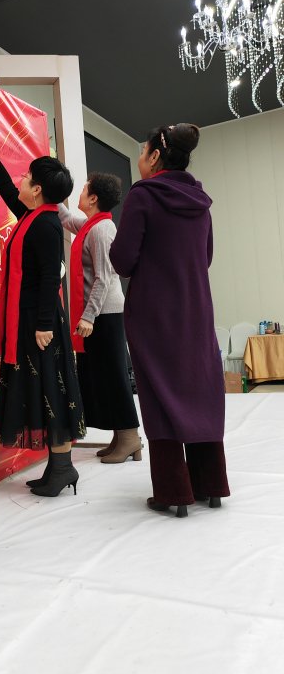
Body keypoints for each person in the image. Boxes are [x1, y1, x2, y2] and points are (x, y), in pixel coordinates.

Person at [109, 123, 230, 517]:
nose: (140, 158)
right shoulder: (200, 202)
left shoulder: (143, 195)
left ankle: (173, 491)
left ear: (156, 156)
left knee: (159, 391)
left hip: (153, 310)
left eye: (143, 152)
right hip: (196, 307)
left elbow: (123, 259)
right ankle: (211, 484)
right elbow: (205, 257)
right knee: (200, 387)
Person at [0, 126, 85, 497]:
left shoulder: (46, 225)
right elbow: (7, 190)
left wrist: (42, 325)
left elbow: (49, 277)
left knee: (51, 388)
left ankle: (63, 466)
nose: (21, 180)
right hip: (29, 318)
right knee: (43, 387)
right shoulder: (32, 216)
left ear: (37, 189)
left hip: (40, 322)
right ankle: (59, 466)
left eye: (26, 176)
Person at [58, 173, 141, 463]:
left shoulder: (102, 229)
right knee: (104, 376)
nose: (79, 193)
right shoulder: (91, 225)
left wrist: (89, 317)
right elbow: (66, 218)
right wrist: (52, 190)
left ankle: (130, 437)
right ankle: (121, 436)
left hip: (105, 314)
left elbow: (104, 278)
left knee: (114, 375)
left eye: (83, 190)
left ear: (93, 198)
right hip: (99, 313)